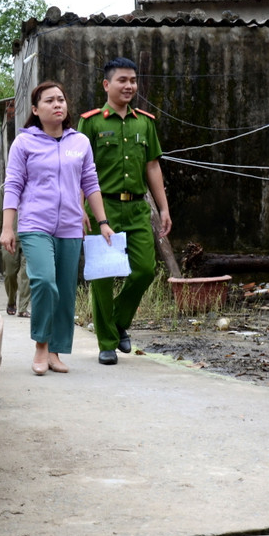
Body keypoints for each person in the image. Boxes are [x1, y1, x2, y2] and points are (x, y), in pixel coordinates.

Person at [1, 80, 113, 376]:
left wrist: (102, 222)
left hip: (70, 227)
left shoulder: (80, 143)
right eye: (49, 101)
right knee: (44, 282)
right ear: (36, 110)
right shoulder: (24, 142)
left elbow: (90, 183)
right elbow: (13, 185)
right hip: (35, 224)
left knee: (64, 291)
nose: (57, 104)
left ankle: (56, 351)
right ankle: (40, 344)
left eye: (61, 99)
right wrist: (7, 228)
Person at [78, 57, 172, 366]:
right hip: (101, 205)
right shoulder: (91, 122)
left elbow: (153, 166)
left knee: (144, 269)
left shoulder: (144, 122)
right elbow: (80, 169)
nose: (129, 85)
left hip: (135, 208)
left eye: (133, 80)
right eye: (122, 80)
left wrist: (163, 207)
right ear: (107, 85)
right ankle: (106, 342)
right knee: (103, 275)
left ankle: (117, 322)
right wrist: (80, 208)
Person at [0, 183, 31, 317]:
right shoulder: (5, 188)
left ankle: (23, 307)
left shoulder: (34, 184)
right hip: (10, 237)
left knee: (27, 273)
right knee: (10, 274)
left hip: (30, 235)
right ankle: (11, 300)